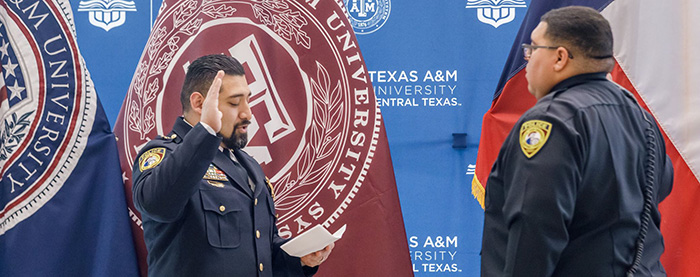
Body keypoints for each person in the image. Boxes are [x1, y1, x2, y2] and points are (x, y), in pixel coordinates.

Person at [481, 6, 673, 276]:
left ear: (560, 58)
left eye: (534, 48)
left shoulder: (551, 121)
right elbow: (659, 189)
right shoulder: (642, 119)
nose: (527, 59)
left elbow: (534, 224)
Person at [132, 54, 333, 276]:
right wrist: (206, 131)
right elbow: (158, 204)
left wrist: (299, 258)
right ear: (199, 103)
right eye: (235, 102)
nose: (248, 113)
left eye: (248, 100)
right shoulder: (163, 154)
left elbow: (259, 255)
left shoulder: (248, 165)